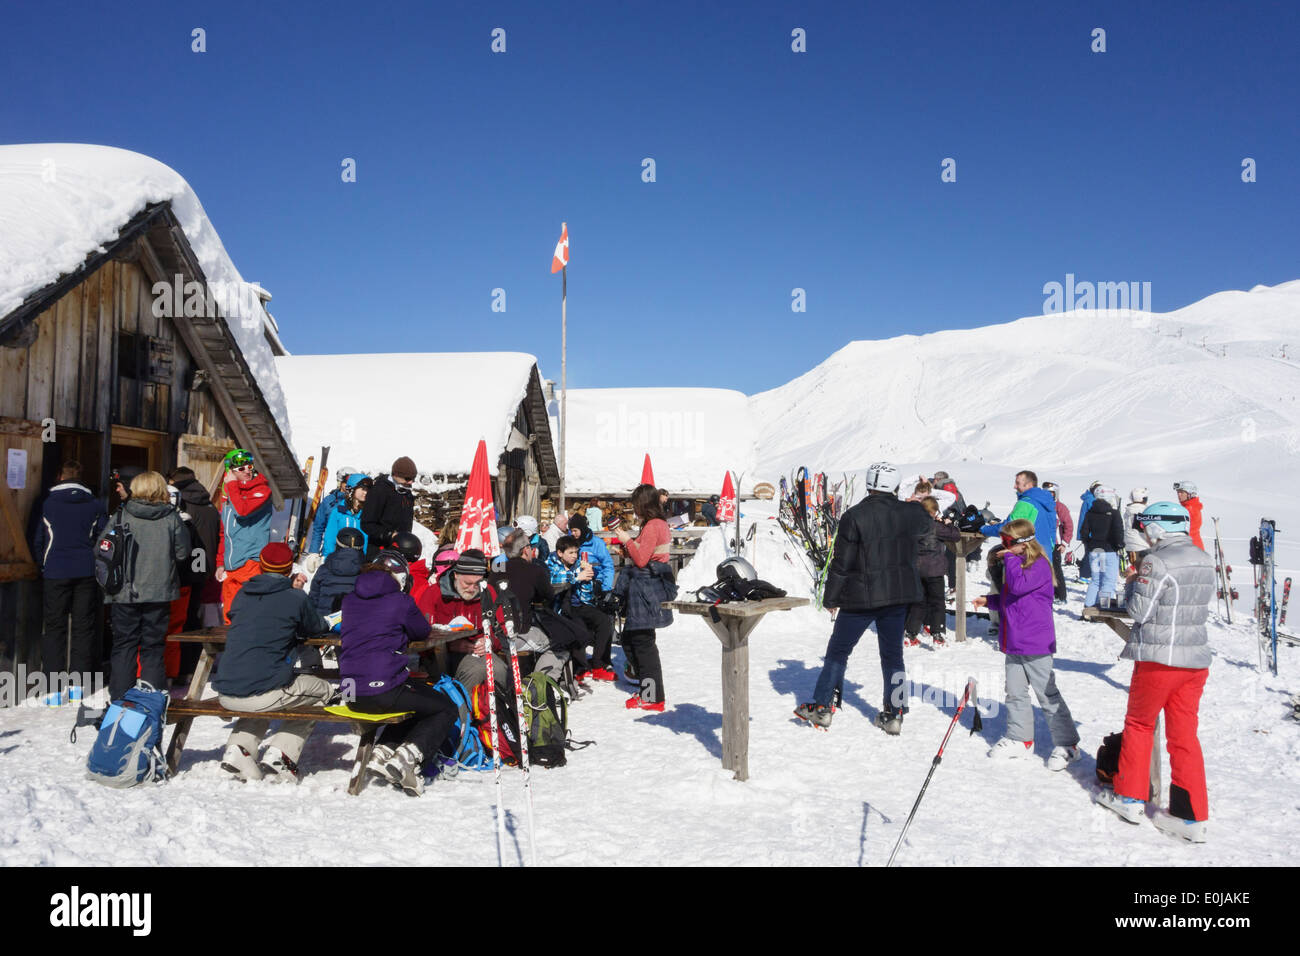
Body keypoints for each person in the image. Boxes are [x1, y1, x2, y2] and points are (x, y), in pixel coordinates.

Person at [1094, 502, 1215, 842]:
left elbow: (1138, 610)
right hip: (1194, 660)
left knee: (1140, 724)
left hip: (1159, 659)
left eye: (1146, 528)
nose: (1145, 535)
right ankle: (1190, 815)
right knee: (1184, 736)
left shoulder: (1156, 561)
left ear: (1158, 528)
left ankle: (1130, 797)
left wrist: (1133, 581)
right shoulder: (1204, 558)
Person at [794, 461, 930, 734]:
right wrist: (916, 501)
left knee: (838, 652)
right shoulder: (912, 513)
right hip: (898, 594)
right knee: (894, 656)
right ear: (894, 485)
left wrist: (831, 598)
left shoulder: (854, 515)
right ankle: (896, 714)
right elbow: (927, 526)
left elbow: (841, 563)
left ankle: (821, 708)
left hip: (859, 596)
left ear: (869, 484)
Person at [211, 543, 332, 782]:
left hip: (226, 688)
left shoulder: (243, 593)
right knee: (323, 691)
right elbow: (315, 627)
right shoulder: (295, 598)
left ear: (261, 565)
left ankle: (240, 747)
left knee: (261, 684)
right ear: (289, 568)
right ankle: (283, 753)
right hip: (264, 688)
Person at [342, 550, 458, 796]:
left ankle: (383, 751)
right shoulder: (399, 601)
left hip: (350, 691)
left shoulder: (350, 599)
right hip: (380, 688)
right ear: (402, 579)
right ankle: (409, 756)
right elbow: (420, 630)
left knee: (415, 698)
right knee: (444, 707)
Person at [973, 519, 1080, 770]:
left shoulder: (1039, 565)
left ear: (1022, 542)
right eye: (1002, 542)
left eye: (1008, 542)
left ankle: (1068, 744)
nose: (1004, 547)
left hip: (1036, 642)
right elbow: (1012, 600)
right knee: (1015, 692)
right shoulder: (1017, 564)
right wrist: (988, 601)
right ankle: (1020, 738)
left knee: (1047, 694)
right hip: (1014, 642)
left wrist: (1009, 558)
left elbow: (1020, 586)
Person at [97, 471, 191, 701]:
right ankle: (152, 701)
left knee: (124, 646)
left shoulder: (121, 515)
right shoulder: (171, 517)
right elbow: (183, 553)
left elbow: (101, 548)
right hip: (158, 593)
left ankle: (120, 700)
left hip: (124, 592)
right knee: (153, 648)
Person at [34, 460, 109, 684]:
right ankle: (78, 685)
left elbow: (38, 539)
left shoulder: (47, 503)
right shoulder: (95, 505)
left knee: (55, 627)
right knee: (83, 627)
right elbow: (104, 539)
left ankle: (52, 685)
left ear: (60, 476)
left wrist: (43, 565)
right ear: (80, 476)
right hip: (86, 570)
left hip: (56, 569)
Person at [612, 484, 676, 711]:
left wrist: (627, 540)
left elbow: (641, 560)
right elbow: (647, 554)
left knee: (642, 644)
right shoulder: (659, 524)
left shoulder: (652, 526)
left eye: (636, 504)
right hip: (651, 586)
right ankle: (649, 692)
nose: (634, 509)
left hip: (646, 588)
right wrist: (630, 547)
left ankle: (652, 697)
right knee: (635, 641)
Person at [419, 549, 509, 692]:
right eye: (467, 583)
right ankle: (464, 711)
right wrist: (449, 645)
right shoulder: (435, 593)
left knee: (499, 669)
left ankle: (497, 711)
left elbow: (501, 627)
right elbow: (421, 633)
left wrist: (490, 640)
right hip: (441, 656)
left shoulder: (487, 591)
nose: (472, 588)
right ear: (456, 575)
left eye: (477, 583)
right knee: (476, 671)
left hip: (480, 652)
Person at [214, 448, 273, 624]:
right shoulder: (230, 496)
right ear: (230, 471)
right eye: (240, 469)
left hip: (250, 562)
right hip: (232, 565)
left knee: (247, 616)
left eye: (249, 466)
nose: (247, 470)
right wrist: (220, 563)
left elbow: (243, 511)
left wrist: (231, 486)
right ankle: (229, 651)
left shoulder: (262, 490)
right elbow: (225, 533)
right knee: (229, 618)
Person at [547, 534, 617, 681]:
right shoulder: (551, 563)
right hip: (560, 608)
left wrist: (589, 577)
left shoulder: (579, 564)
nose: (574, 556)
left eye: (576, 552)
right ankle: (580, 668)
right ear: (560, 553)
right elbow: (555, 581)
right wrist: (577, 577)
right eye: (570, 553)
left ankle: (598, 664)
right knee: (579, 629)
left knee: (604, 621)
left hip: (580, 604)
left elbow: (587, 592)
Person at [168, 467, 222, 629]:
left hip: (187, 570)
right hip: (205, 566)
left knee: (181, 620)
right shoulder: (209, 504)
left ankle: (183, 654)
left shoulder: (182, 504)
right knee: (195, 618)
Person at [905, 497, 960, 647]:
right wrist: (949, 524)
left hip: (916, 569)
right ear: (933, 512)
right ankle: (938, 633)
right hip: (934, 570)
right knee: (937, 602)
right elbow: (955, 536)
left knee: (918, 602)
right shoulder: (935, 526)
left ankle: (910, 633)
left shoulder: (911, 525)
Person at [360, 456, 416, 559]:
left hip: (401, 549)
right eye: (408, 479)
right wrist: (389, 535)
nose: (411, 482)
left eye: (413, 478)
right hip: (380, 551)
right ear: (396, 475)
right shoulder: (379, 491)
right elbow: (367, 523)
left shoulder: (406, 493)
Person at [1080, 485, 1125, 609]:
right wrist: (1119, 545)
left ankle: (1088, 608)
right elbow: (1118, 532)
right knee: (1108, 581)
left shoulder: (1090, 512)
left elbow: (1083, 532)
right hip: (1109, 551)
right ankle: (1104, 609)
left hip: (1095, 550)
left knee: (1095, 580)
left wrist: (1089, 543)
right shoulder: (1114, 514)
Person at [308, 526, 365, 615]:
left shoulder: (324, 569)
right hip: (355, 624)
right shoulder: (367, 573)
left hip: (325, 623)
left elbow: (312, 600)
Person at [307, 465, 360, 557]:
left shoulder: (360, 502)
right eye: (347, 482)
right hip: (331, 551)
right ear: (340, 482)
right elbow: (319, 528)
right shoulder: (329, 501)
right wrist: (313, 552)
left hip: (354, 550)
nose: (350, 485)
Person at [566, 513, 616, 597]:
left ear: (582, 529)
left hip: (594, 584)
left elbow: (608, 565)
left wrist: (606, 588)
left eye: (575, 530)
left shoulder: (596, 543)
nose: (572, 534)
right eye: (571, 531)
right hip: (574, 584)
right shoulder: (570, 542)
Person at [322, 474, 371, 557]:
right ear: (352, 489)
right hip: (339, 560)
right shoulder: (339, 512)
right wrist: (328, 559)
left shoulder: (368, 513)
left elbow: (367, 541)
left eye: (367, 489)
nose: (365, 492)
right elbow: (330, 538)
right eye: (362, 489)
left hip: (359, 562)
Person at [1040, 481, 1073, 603]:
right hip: (1040, 542)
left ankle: (1061, 595)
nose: (1049, 496)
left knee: (1056, 569)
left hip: (1055, 544)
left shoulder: (1059, 507)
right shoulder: (1039, 505)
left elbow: (1068, 525)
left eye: (1051, 493)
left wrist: (1064, 543)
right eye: (1046, 493)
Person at [1076, 480, 1102, 584]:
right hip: (1090, 532)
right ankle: (1085, 575)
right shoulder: (1091, 500)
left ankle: (1086, 574)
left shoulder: (1089, 499)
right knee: (1091, 554)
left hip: (1087, 531)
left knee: (1091, 553)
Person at [1174, 481, 1204, 550]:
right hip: (1191, 547)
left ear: (1190, 494)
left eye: (1182, 492)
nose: (1179, 494)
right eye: (1178, 492)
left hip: (1191, 549)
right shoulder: (1190, 507)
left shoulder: (1190, 509)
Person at [1123, 487, 1149, 567]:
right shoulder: (1144, 511)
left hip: (1129, 546)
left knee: (1137, 568)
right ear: (1143, 499)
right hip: (1142, 546)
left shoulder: (1129, 510)